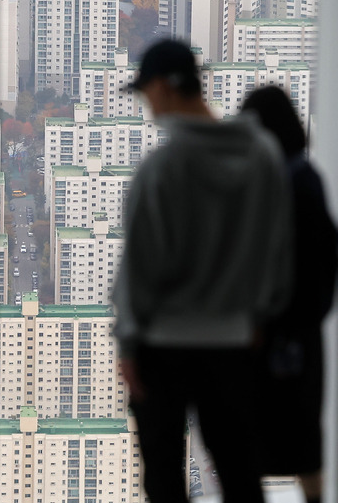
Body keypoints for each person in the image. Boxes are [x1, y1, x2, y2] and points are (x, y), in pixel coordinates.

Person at [113, 39, 294, 503]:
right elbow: (278, 254)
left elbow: (140, 269)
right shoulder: (263, 157)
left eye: (146, 93)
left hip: (163, 345)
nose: (147, 105)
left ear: (161, 88)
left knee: (165, 477)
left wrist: (129, 344)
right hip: (234, 342)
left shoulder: (163, 168)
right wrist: (258, 318)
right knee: (238, 467)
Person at [242, 86, 337, 503]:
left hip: (277, 333)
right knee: (300, 436)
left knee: (267, 436)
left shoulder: (287, 181)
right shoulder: (301, 176)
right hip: (298, 333)